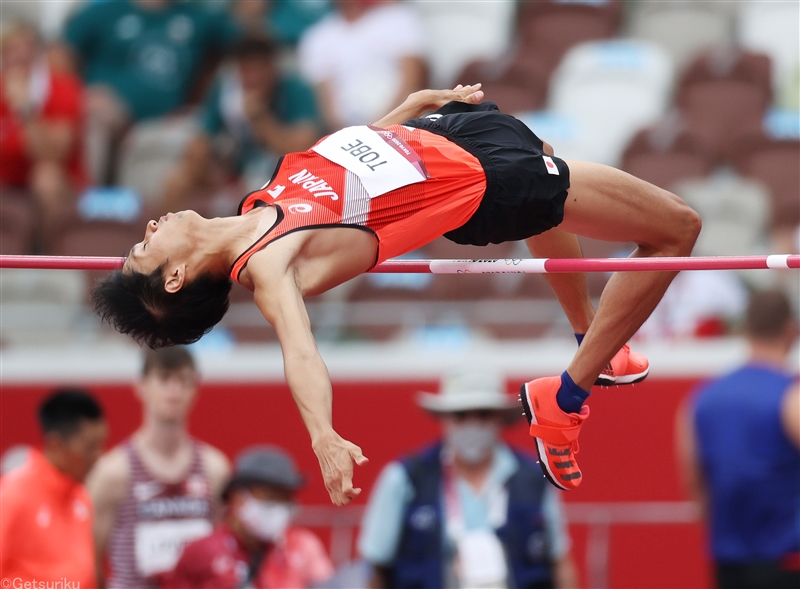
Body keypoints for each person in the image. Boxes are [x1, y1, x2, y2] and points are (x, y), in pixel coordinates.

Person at [92, 84, 702, 504]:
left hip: (441, 136)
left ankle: (592, 341)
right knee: (677, 228)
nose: (148, 228)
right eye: (146, 247)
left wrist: (403, 112)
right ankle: (564, 400)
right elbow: (300, 353)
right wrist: (323, 437)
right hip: (483, 183)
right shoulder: (270, 264)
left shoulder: (256, 204)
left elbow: (347, 175)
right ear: (174, 278)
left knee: (550, 177)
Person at [359, 367, 579, 589]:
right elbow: (375, 568)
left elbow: (560, 562)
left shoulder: (535, 478)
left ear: (500, 418)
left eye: (483, 414)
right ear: (445, 418)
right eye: (460, 415)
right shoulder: (404, 479)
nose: (472, 425)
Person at [677, 289, 800, 589]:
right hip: (787, 561)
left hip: (728, 563)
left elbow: (694, 482)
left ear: (745, 329)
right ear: (790, 330)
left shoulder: (701, 400)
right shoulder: (791, 397)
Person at [87, 346, 231, 588]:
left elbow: (225, 548)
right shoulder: (114, 472)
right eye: (164, 379)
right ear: (141, 387)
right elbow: (89, 557)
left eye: (183, 381)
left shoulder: (214, 469)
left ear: (195, 390)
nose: (174, 391)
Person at [57, 0, 240, 184]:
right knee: (95, 110)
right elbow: (60, 54)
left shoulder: (200, 17)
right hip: (111, 112)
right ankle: (89, 199)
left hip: (168, 119)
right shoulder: (105, 11)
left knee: (205, 137)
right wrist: (76, 93)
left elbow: (249, 44)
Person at [162, 34, 320, 212]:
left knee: (252, 195)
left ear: (273, 68)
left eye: (259, 70)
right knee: (178, 181)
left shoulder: (296, 91)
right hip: (233, 169)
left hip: (280, 177)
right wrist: (203, 163)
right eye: (247, 70)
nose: (253, 78)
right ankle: (165, 236)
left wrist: (261, 119)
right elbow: (201, 139)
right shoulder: (227, 91)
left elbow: (302, 149)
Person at [167, 445, 334, 588]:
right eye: (270, 497)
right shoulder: (201, 553)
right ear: (238, 497)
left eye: (285, 499)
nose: (278, 507)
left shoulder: (303, 548)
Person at [0, 389, 108, 588]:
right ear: (56, 444)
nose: (98, 457)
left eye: (100, 445)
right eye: (89, 448)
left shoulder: (82, 497)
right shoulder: (12, 496)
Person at [0, 21, 86, 252]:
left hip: (61, 184)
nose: (19, 56)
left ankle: (51, 260)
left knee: (45, 177)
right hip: (7, 181)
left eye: (26, 48)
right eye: (11, 49)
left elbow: (53, 154)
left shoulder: (63, 88)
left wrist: (25, 110)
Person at [298, 0, 427, 130]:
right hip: (352, 135)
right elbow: (328, 107)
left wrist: (381, 125)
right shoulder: (317, 38)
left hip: (405, 126)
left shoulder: (398, 17)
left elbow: (412, 82)